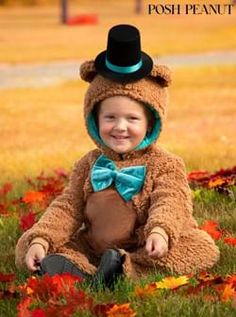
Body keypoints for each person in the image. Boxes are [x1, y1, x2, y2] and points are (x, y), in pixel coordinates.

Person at [15, 24, 219, 288]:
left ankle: (126, 268)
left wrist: (160, 230)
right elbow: (68, 206)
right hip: (96, 245)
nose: (120, 127)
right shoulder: (88, 164)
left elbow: (171, 201)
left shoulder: (165, 163)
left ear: (151, 122)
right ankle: (81, 269)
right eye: (110, 117)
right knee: (37, 244)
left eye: (132, 118)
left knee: (200, 249)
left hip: (148, 243)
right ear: (94, 119)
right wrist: (43, 239)